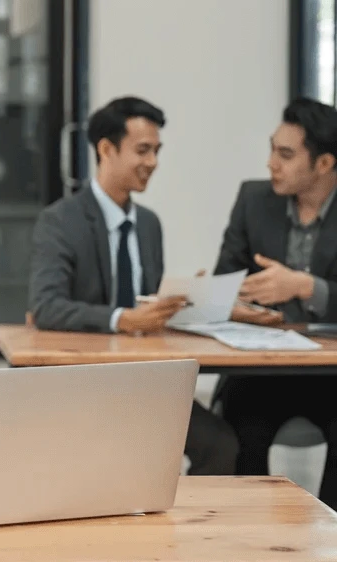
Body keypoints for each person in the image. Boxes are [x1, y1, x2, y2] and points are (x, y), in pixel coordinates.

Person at [28, 96, 239, 475]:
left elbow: (146, 302)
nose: (153, 162)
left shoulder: (149, 225)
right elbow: (46, 306)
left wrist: (184, 300)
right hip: (86, 384)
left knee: (223, 445)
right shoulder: (60, 221)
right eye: (143, 150)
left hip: (147, 380)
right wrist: (124, 319)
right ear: (106, 149)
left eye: (157, 151)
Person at [214, 97, 337, 507]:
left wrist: (305, 287)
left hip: (331, 373)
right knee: (240, 435)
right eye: (272, 149)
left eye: (285, 154)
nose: (271, 164)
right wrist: (239, 303)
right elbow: (224, 280)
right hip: (262, 370)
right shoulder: (253, 199)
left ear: (323, 164)